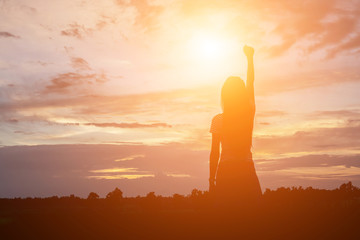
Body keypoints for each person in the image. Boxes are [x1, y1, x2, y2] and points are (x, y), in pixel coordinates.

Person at [209, 45, 262, 207]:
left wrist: (212, 180)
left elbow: (214, 153)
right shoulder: (248, 114)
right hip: (246, 171)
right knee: (256, 220)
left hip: (226, 173)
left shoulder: (218, 120)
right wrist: (250, 58)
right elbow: (251, 82)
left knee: (227, 222)